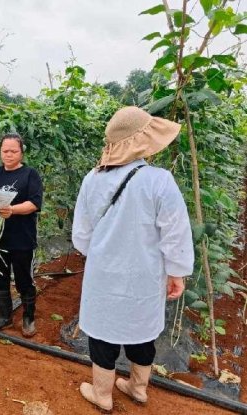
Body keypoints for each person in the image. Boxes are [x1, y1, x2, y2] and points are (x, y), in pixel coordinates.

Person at [71, 106, 194, 411]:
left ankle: (102, 394)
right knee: (142, 329)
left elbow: (82, 235)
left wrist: (102, 252)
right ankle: (138, 388)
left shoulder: (92, 179)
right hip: (145, 274)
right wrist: (176, 272)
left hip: (104, 274)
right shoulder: (159, 180)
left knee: (103, 332)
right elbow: (175, 232)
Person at [0, 133, 43, 337]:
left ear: (21, 152)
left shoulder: (30, 175)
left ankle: (28, 318)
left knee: (24, 279)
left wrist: (12, 209)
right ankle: (4, 317)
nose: (9, 154)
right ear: (0, 152)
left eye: (13, 151)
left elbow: (34, 203)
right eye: (5, 151)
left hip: (22, 238)